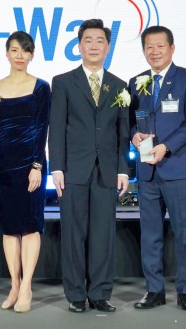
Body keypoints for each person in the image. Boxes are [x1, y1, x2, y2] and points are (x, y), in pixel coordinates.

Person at [49, 18, 130, 313]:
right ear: (79, 46)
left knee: (103, 234)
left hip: (107, 170)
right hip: (73, 169)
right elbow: (57, 127)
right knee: (73, 234)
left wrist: (123, 169)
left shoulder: (119, 85)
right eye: (88, 40)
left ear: (107, 47)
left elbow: (123, 132)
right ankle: (75, 295)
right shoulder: (63, 82)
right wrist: (57, 167)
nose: (94, 46)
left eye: (99, 41)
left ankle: (100, 293)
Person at [128, 25, 186, 311]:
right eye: (149, 46)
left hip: (178, 169)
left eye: (160, 46)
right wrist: (134, 135)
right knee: (150, 234)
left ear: (172, 48)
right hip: (147, 171)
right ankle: (154, 290)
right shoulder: (136, 81)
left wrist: (167, 146)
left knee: (184, 233)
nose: (154, 51)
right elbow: (131, 120)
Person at [0, 31, 50, 313]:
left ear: (32, 54)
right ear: (7, 53)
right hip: (4, 169)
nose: (20, 55)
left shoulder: (41, 87)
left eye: (25, 50)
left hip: (30, 166)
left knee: (31, 226)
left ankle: (27, 288)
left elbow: (42, 128)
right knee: (10, 228)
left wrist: (37, 165)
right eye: (14, 50)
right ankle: (14, 285)